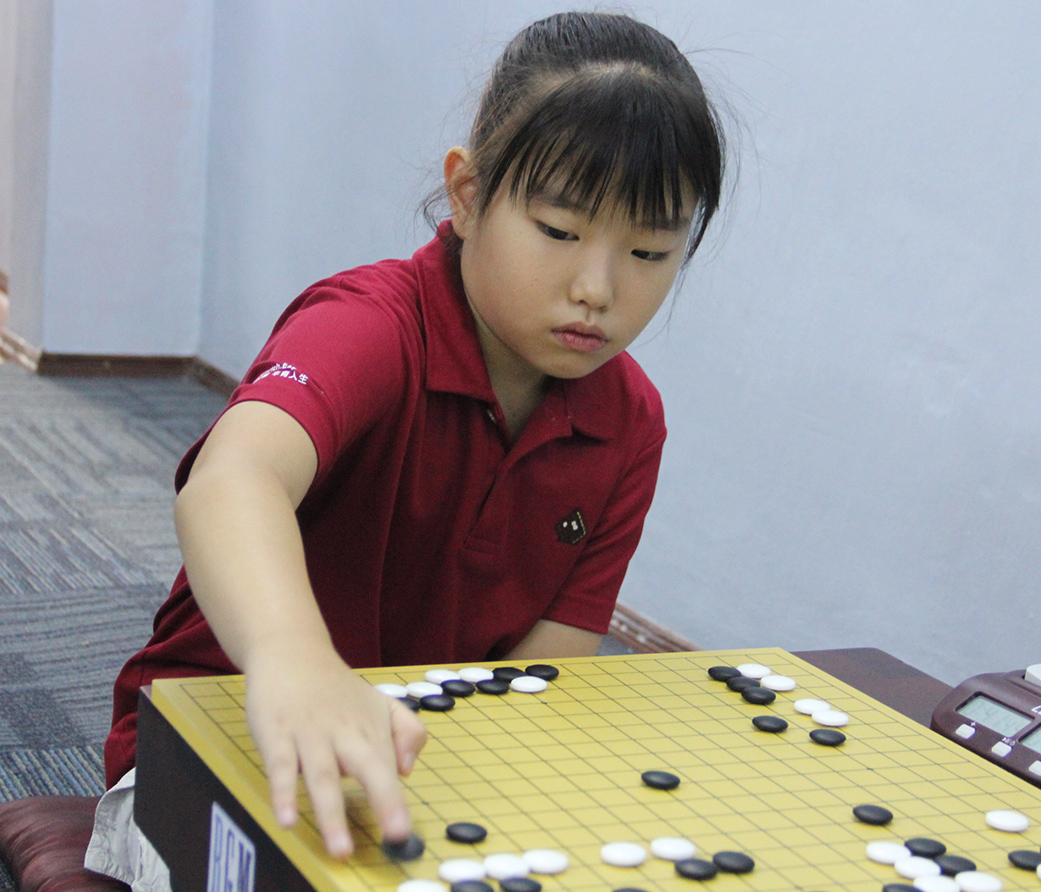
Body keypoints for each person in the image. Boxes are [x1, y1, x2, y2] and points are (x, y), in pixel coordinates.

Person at [86, 10, 727, 890]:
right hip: (210, 741)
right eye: (559, 230)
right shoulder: (370, 326)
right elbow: (231, 481)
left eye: (650, 250)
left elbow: (544, 681)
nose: (597, 288)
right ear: (467, 195)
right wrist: (295, 663)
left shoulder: (630, 422)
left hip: (427, 769)